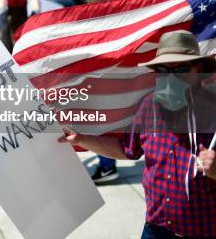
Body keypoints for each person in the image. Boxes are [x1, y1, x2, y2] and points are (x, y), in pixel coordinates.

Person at [59, 30, 216, 238]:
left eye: (180, 68)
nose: (170, 77)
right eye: (162, 69)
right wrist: (82, 139)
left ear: (198, 69)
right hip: (155, 230)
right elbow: (126, 149)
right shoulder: (149, 106)